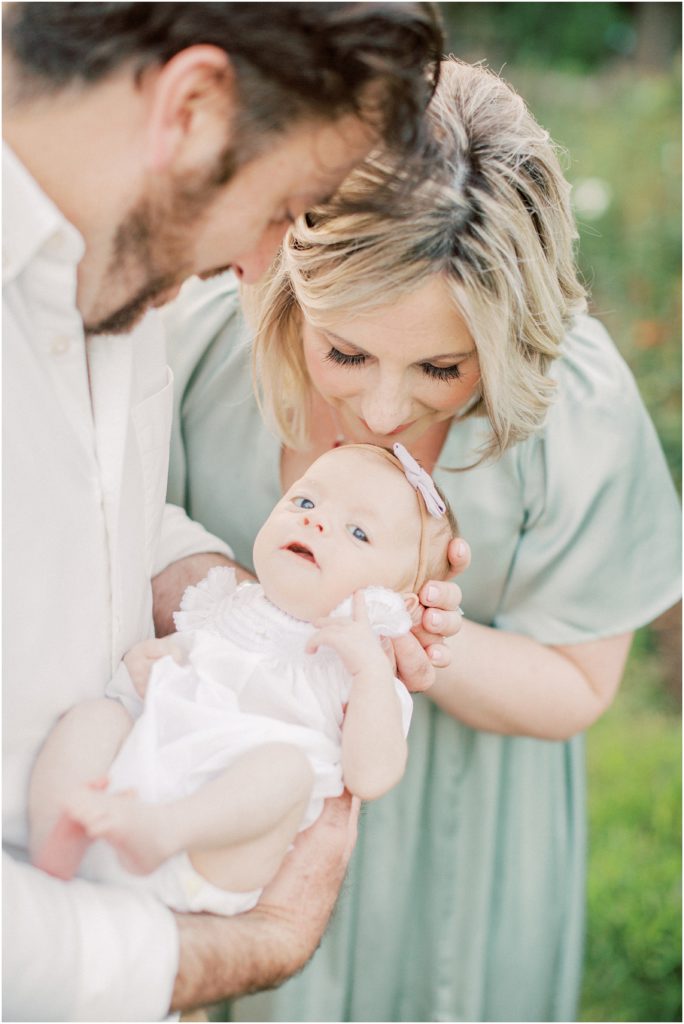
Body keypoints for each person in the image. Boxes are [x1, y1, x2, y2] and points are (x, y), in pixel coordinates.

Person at [161, 58, 682, 1022]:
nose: (384, 409)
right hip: (224, 814)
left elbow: (579, 684)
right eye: (344, 352)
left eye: (443, 368)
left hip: (463, 834)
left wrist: (414, 643)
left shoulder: (577, 409)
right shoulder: (199, 345)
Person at [2, 4, 464, 1020]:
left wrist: (272, 613)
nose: (262, 267)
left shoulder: (119, 273)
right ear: (196, 105)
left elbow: (104, 513)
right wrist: (222, 952)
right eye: (285, 207)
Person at [31, 443, 457, 921]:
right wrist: (157, 660)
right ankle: (54, 834)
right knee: (96, 717)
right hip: (127, 792)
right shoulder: (230, 604)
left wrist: (372, 672)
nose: (314, 523)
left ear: (392, 601)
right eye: (305, 502)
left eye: (358, 532)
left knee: (286, 771)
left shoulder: (360, 673)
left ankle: (163, 829)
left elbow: (371, 776)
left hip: (213, 855)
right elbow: (194, 656)